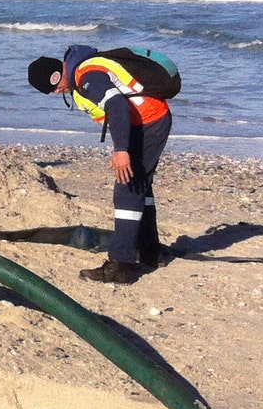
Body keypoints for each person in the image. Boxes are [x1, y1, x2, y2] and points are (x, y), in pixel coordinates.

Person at [28, 45, 171, 284]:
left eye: (53, 87)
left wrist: (121, 151)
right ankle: (150, 252)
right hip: (149, 119)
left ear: (56, 74)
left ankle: (120, 265)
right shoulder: (83, 69)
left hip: (149, 121)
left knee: (127, 188)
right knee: (140, 186)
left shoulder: (87, 77)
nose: (56, 92)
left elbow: (117, 106)